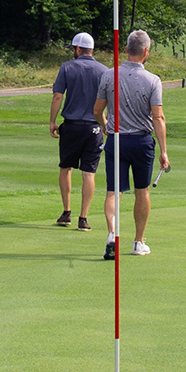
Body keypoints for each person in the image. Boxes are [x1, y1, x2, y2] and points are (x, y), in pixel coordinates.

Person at [92, 29, 170, 260]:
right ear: (146, 52)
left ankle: (112, 233)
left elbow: (97, 110)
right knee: (142, 191)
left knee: (114, 191)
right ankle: (138, 241)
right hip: (142, 141)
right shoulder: (153, 80)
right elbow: (158, 118)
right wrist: (164, 152)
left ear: (126, 49)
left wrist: (105, 124)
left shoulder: (109, 75)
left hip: (116, 140)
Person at [50, 32, 109, 230]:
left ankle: (66, 212)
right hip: (94, 127)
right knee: (88, 173)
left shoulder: (67, 67)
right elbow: (109, 99)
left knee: (66, 168)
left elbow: (58, 96)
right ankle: (83, 218)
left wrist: (52, 121)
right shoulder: (104, 70)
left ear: (77, 49)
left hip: (72, 126)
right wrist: (105, 122)